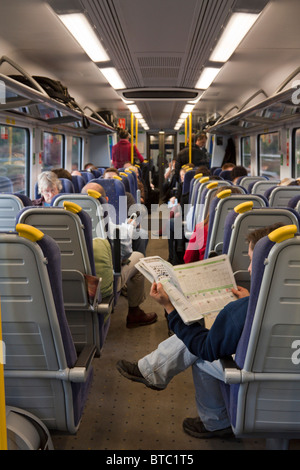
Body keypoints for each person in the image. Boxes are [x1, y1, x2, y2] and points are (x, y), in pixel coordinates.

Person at [116, 223, 283, 438]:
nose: (249, 269)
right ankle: (151, 370)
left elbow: (205, 348)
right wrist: (250, 301)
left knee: (201, 354)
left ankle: (217, 423)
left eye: (253, 262)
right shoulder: (262, 303)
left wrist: (170, 307)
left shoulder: (242, 312)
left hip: (256, 379)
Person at [81, 182, 156, 328]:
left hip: (76, 280)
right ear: (106, 201)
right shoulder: (105, 220)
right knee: (138, 257)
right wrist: (130, 227)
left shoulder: (70, 218)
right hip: (101, 281)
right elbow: (124, 252)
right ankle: (135, 312)